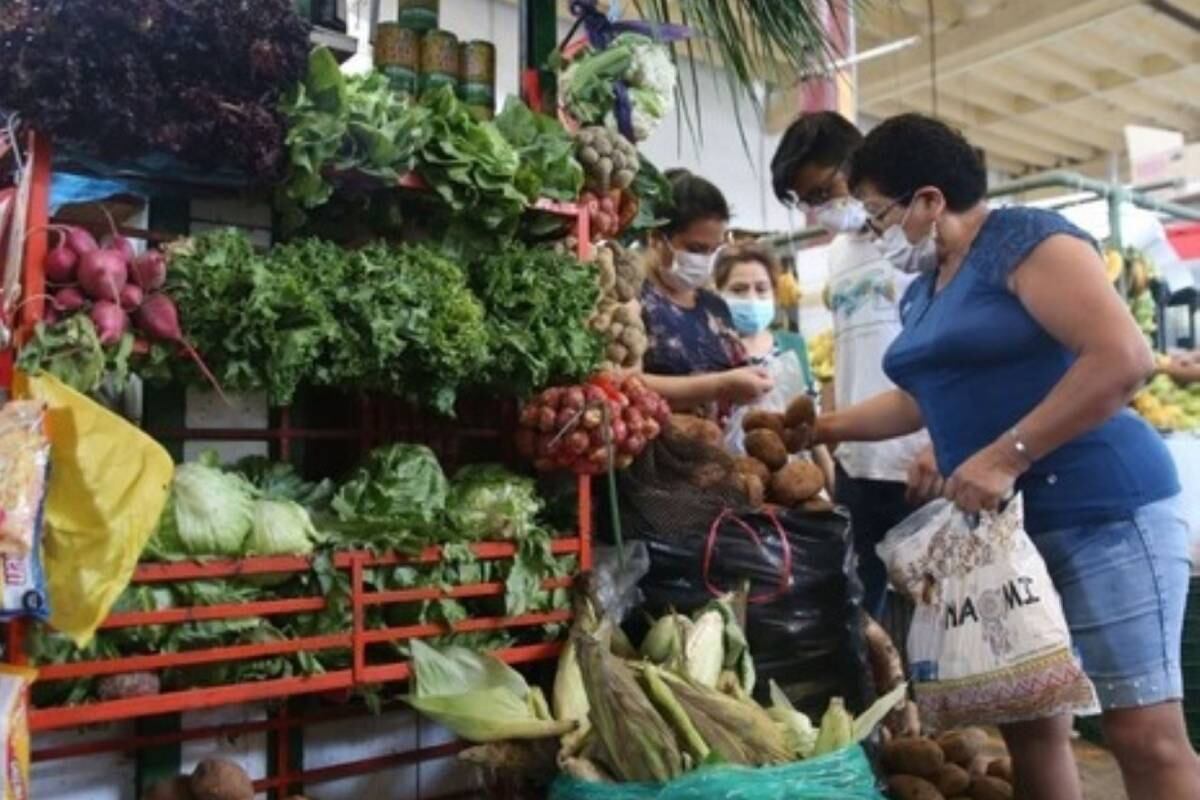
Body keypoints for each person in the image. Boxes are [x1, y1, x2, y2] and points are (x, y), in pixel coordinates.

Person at [812, 112, 1198, 800]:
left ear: (929, 200)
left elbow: (1123, 358)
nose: (875, 234)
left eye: (878, 214)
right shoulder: (927, 292)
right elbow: (919, 400)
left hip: (1103, 511)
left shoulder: (1023, 240)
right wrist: (823, 428)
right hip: (1008, 539)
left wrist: (1005, 455)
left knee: (1142, 730)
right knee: (1029, 725)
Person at [770, 111, 929, 619]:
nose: (821, 209)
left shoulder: (915, 239)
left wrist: (944, 445)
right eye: (807, 202)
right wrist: (831, 447)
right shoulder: (835, 256)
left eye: (823, 191)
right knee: (864, 616)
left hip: (923, 461)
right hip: (860, 467)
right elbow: (845, 354)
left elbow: (952, 354)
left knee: (945, 616)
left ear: (857, 163)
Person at [638, 169, 773, 415]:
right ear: (656, 237)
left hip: (720, 448)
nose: (705, 260)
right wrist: (718, 386)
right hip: (659, 449)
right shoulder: (633, 303)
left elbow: (739, 370)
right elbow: (626, 384)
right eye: (696, 248)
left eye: (714, 250)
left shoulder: (714, 307)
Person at [712, 243, 835, 487]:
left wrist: (829, 479)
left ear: (774, 293)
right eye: (739, 290)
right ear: (718, 294)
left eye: (761, 289)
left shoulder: (792, 345)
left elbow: (808, 422)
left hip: (793, 476)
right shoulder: (712, 351)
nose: (752, 298)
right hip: (734, 479)